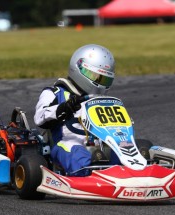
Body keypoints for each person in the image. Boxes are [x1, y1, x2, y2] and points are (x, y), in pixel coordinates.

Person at [34, 44, 119, 175]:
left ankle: (126, 174)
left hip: (99, 146)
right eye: (95, 76)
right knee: (80, 159)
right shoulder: (55, 93)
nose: (100, 82)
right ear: (79, 68)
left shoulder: (103, 101)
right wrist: (64, 107)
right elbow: (40, 118)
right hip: (67, 143)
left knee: (125, 152)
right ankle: (91, 175)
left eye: (104, 79)